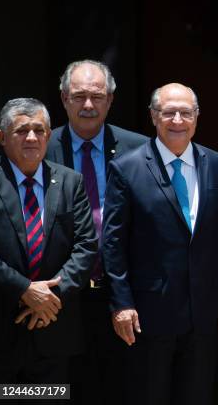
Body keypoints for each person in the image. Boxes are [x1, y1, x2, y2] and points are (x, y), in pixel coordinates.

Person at [102, 83, 218, 405]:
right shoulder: (127, 168)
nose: (178, 119)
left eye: (186, 112)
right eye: (168, 112)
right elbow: (113, 244)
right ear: (153, 116)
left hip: (204, 314)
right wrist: (121, 304)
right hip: (149, 316)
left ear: (197, 117)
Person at [45, 59, 147, 405]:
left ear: (111, 100)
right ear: (63, 99)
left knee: (122, 386)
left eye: (97, 96)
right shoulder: (40, 147)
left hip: (123, 293)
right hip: (60, 292)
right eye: (79, 96)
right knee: (62, 388)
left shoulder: (141, 149)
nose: (88, 105)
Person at [0, 98, 98, 389]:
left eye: (39, 130)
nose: (31, 137)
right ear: (2, 137)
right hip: (1, 329)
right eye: (21, 130)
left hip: (53, 327)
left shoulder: (70, 181)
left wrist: (51, 297)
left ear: (49, 135)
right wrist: (24, 289)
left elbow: (86, 245)